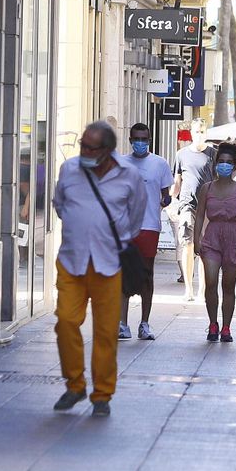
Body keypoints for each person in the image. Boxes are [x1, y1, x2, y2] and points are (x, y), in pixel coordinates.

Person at [50, 121, 147, 418]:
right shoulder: (69, 170)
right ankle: (75, 385)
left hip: (108, 262)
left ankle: (102, 394)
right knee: (66, 321)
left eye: (91, 148)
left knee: (106, 333)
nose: (84, 152)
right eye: (82, 145)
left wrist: (112, 236)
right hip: (72, 260)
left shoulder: (128, 175)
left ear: (107, 150)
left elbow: (136, 214)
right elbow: (59, 204)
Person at [193, 142, 236, 342]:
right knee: (210, 283)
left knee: (229, 286)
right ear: (216, 164)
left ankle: (226, 326)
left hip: (233, 236)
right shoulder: (206, 188)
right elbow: (200, 215)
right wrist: (196, 239)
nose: (224, 166)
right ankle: (212, 323)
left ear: (235, 166)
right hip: (211, 237)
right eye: (221, 162)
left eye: (228, 162)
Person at [120, 121, 172, 341]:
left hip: (150, 226)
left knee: (146, 276)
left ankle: (144, 323)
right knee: (122, 276)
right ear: (130, 141)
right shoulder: (120, 163)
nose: (140, 143)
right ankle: (122, 324)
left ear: (149, 141)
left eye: (144, 139)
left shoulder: (159, 164)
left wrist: (163, 201)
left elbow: (166, 194)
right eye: (136, 139)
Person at [171, 126, 214, 300]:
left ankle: (203, 290)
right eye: (197, 131)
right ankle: (188, 288)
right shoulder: (181, 154)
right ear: (192, 133)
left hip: (209, 207)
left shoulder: (214, 154)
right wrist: (170, 202)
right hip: (187, 205)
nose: (200, 134)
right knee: (187, 246)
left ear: (206, 134)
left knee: (205, 249)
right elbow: (177, 181)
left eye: (202, 131)